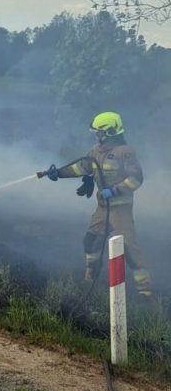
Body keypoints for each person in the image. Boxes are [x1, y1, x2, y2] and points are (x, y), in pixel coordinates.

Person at [40, 112, 151, 296]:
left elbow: (136, 179)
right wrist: (58, 174)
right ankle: (90, 279)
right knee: (91, 241)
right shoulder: (95, 152)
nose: (96, 136)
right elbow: (80, 168)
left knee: (130, 249)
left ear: (109, 131)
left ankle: (145, 290)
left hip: (120, 211)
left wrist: (114, 191)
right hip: (102, 209)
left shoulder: (125, 152)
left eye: (98, 132)